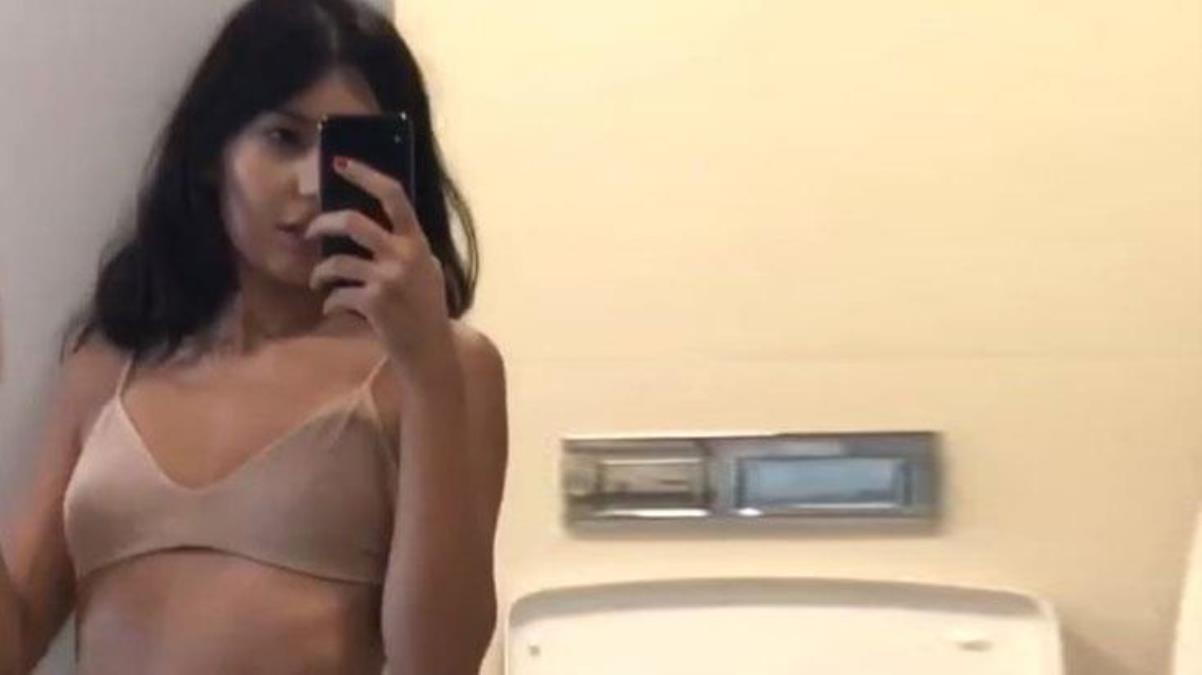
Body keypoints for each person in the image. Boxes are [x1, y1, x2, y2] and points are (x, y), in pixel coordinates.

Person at [0, 0, 508, 673]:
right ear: (214, 151)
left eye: (346, 151)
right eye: (282, 138)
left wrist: (426, 369)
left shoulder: (446, 367)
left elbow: (440, 661)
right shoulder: (108, 364)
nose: (313, 184)